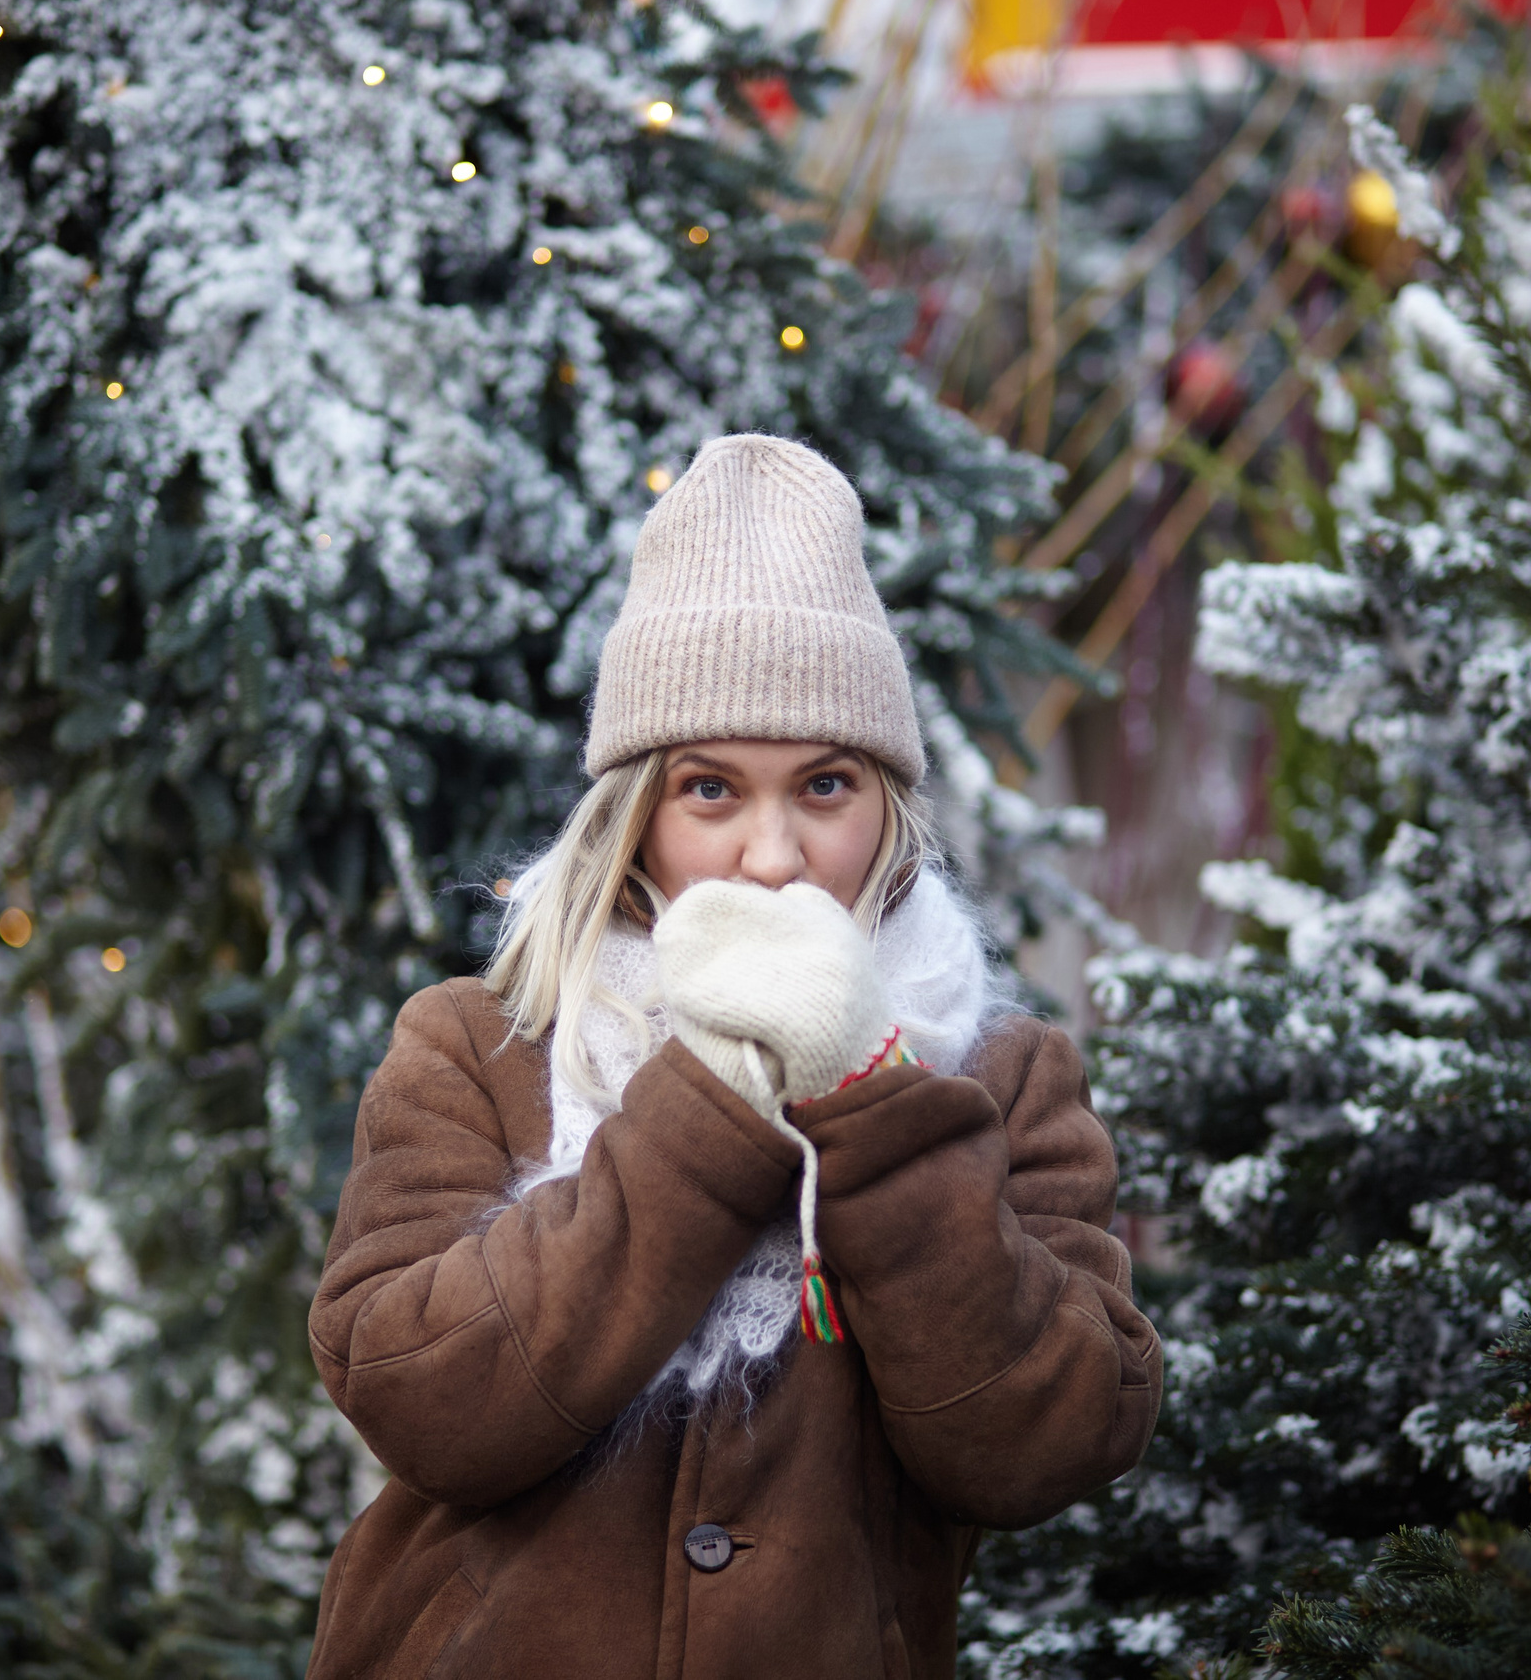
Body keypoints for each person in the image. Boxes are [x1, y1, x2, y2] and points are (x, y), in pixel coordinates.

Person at [305, 435, 1161, 1679]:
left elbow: (1051, 1436)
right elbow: (420, 1400)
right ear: (636, 814)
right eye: (711, 789)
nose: (772, 856)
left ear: (889, 811)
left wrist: (863, 1093)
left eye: (824, 786)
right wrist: (708, 1106)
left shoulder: (995, 1075)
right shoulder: (479, 1046)